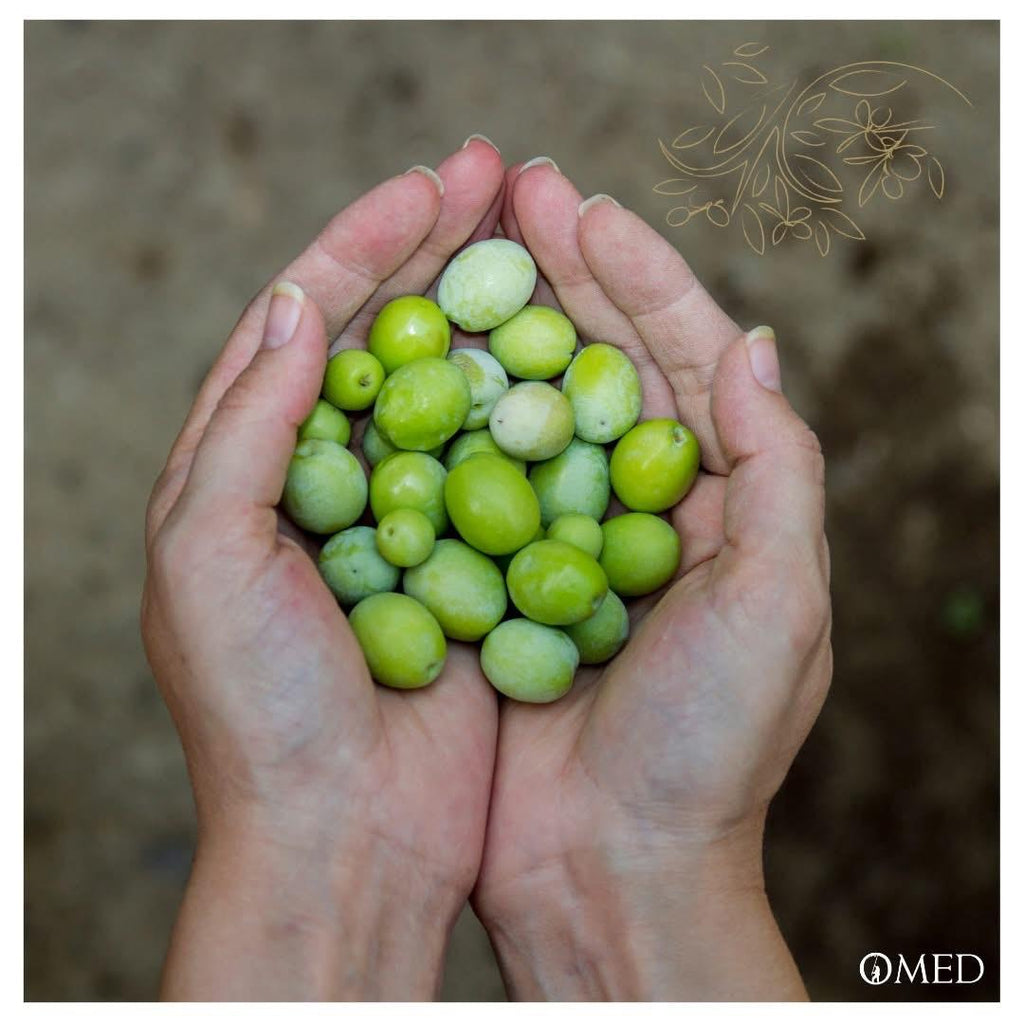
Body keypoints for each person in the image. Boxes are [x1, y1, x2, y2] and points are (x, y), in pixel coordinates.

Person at [141, 135, 832, 1001]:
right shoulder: (426, 479)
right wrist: (654, 867)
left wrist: (313, 842)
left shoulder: (520, 502)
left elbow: (508, 504)